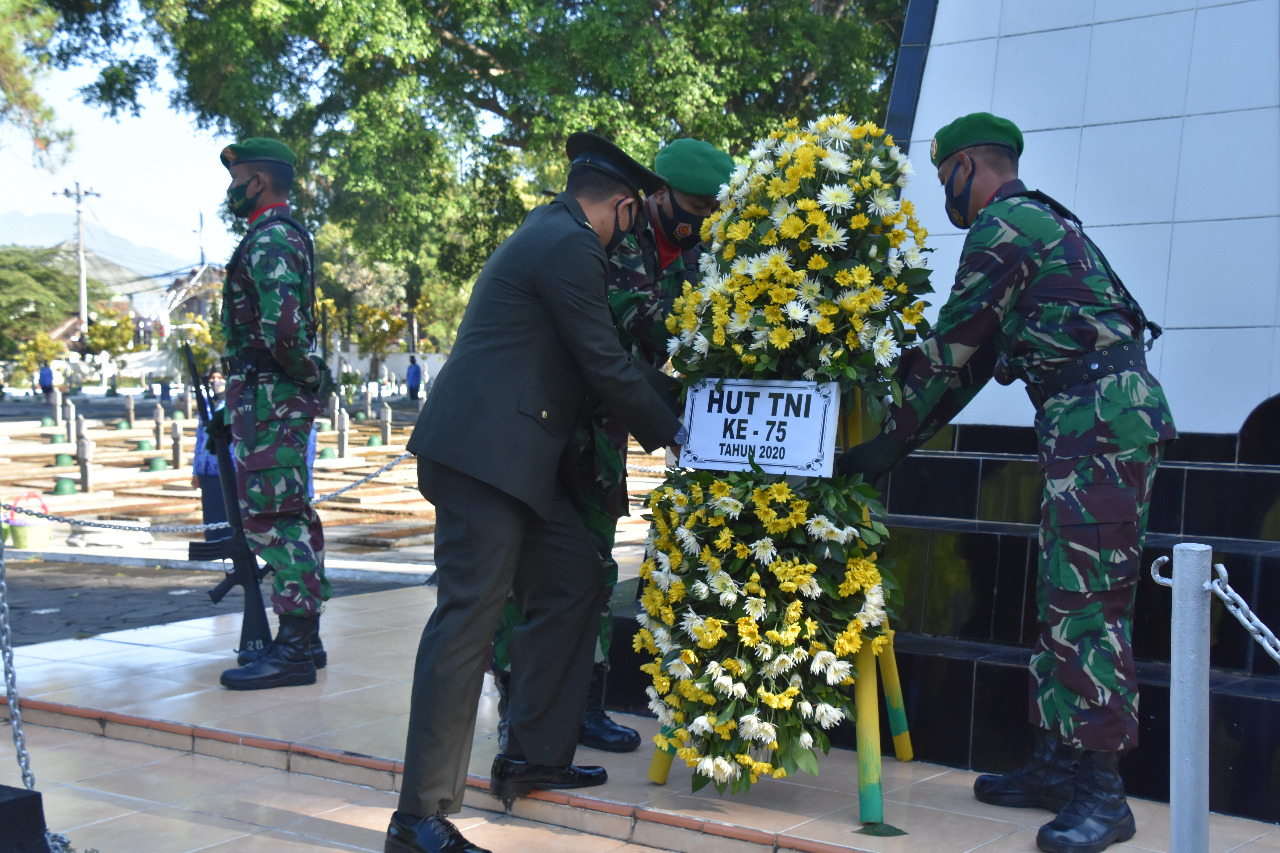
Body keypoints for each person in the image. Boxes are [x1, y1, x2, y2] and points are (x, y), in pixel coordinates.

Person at [836, 113, 1176, 853]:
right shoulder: (1032, 222)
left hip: (1102, 424)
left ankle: (1103, 792)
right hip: (1088, 422)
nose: (944, 196)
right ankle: (1059, 761)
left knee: (1086, 603)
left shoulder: (1005, 228)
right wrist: (893, 444)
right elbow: (974, 362)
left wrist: (876, 437)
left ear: (968, 168)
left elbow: (951, 347)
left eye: (943, 179)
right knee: (1061, 590)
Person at [386, 132, 685, 853]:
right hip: (482, 458)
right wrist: (683, 432)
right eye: (632, 217)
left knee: (577, 574)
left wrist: (689, 402)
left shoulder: (551, 230)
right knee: (466, 621)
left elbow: (597, 367)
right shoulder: (571, 243)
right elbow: (606, 363)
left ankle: (532, 752)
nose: (630, 233)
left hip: (517, 460)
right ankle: (418, 816)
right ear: (619, 205)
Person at [488, 138, 734, 755]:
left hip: (604, 430)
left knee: (592, 567)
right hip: (551, 425)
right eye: (694, 206)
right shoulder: (608, 238)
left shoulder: (701, 251)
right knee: (526, 576)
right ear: (655, 195)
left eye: (711, 210)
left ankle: (583, 706)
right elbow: (637, 323)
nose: (700, 218)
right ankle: (519, 709)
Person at [214, 137, 332, 691]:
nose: (231, 191)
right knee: (291, 511)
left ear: (258, 182)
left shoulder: (270, 239)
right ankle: (303, 639)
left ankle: (293, 647)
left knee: (274, 517)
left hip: (271, 398)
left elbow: (283, 333)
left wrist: (307, 375)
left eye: (237, 180)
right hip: (272, 395)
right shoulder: (281, 236)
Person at [191, 369, 233, 543]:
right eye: (212, 378)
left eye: (219, 377)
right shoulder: (206, 406)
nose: (216, 381)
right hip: (207, 470)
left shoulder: (231, 404)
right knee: (211, 515)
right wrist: (196, 470)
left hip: (228, 468)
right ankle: (213, 543)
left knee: (228, 514)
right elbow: (200, 440)